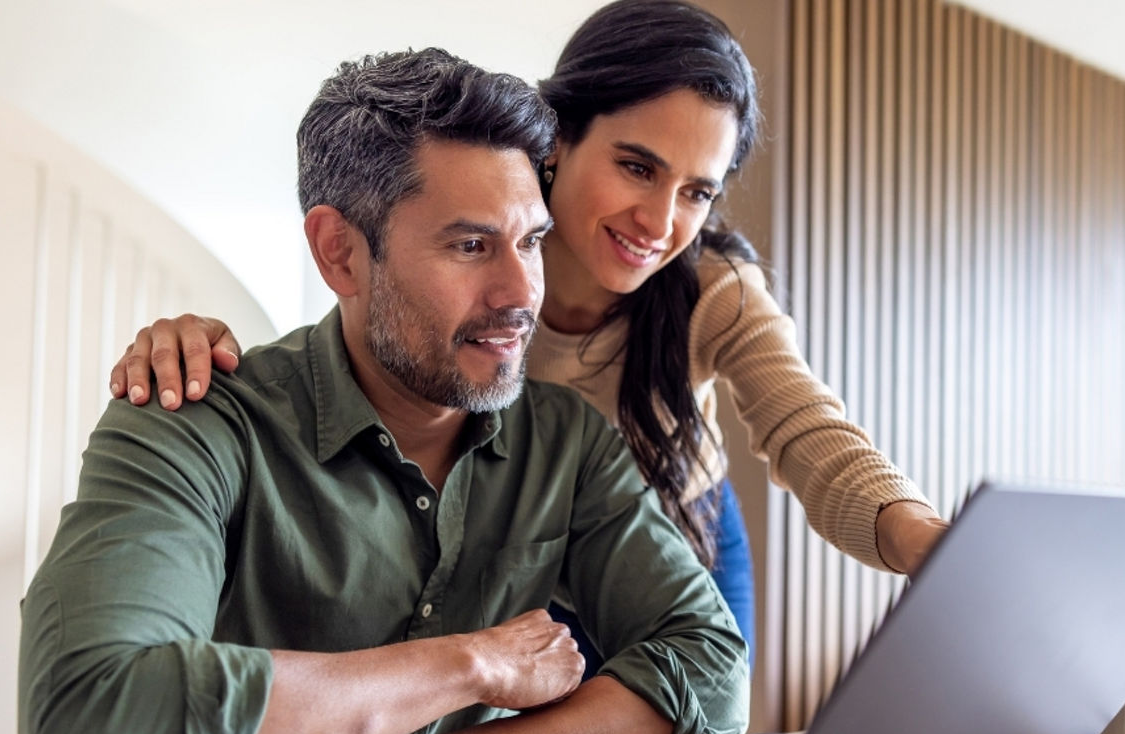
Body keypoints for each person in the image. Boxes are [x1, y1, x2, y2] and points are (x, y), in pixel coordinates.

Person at [18, 47, 748, 734]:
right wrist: (469, 665)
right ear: (340, 252)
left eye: (531, 241)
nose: (520, 293)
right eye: (470, 246)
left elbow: (711, 672)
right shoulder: (189, 419)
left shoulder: (567, 444)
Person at [111, 0, 947, 668]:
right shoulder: (475, 278)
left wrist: (926, 544)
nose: (660, 222)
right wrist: (196, 341)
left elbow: (807, 427)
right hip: (521, 548)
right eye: (636, 166)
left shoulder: (710, 290)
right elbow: (368, 333)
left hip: (678, 529)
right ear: (558, 139)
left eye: (697, 191)